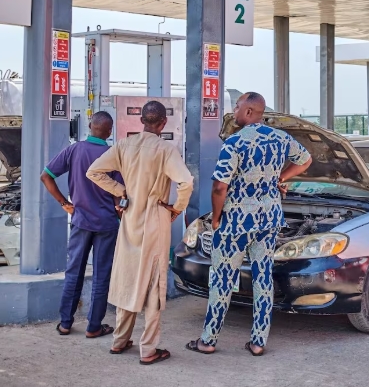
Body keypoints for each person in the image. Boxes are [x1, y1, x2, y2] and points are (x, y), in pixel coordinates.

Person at [186, 92, 312, 357]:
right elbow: (305, 160)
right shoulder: (280, 138)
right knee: (262, 278)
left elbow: (219, 187)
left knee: (222, 280)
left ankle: (208, 340)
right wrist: (280, 178)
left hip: (236, 222)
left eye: (237, 107)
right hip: (269, 220)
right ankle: (258, 342)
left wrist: (216, 218)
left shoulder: (234, 143)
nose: (234, 111)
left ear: (250, 111)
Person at [86, 101, 193, 366]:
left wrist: (121, 191)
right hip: (155, 219)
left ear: (142, 121)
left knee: (128, 277)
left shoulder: (124, 145)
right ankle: (148, 349)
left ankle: (119, 341)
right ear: (163, 123)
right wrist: (177, 208)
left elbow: (94, 172)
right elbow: (186, 181)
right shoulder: (165, 150)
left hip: (129, 217)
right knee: (153, 283)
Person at [43, 111, 123, 338]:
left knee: (74, 272)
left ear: (89, 126)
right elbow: (119, 196)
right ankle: (94, 326)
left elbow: (46, 176)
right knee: (101, 275)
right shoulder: (113, 155)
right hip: (107, 224)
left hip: (80, 221)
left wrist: (64, 203)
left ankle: (65, 323)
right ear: (110, 131)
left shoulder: (74, 150)